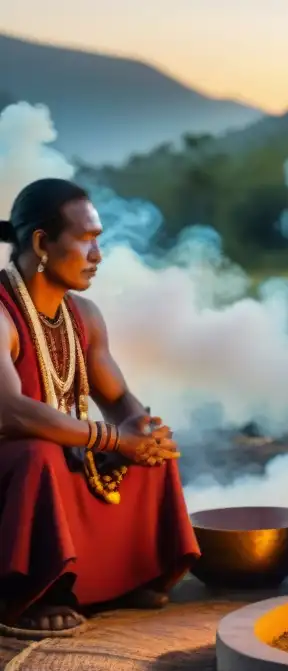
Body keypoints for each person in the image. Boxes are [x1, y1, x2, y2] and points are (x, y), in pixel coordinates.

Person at [0, 178, 200, 637]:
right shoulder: (2, 312)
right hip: (15, 467)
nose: (98, 255)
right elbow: (11, 411)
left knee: (153, 451)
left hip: (67, 453)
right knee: (39, 454)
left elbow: (118, 400)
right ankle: (36, 592)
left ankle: (133, 575)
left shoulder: (85, 316)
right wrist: (113, 437)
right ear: (41, 242)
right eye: (86, 240)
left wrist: (141, 430)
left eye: (99, 241)